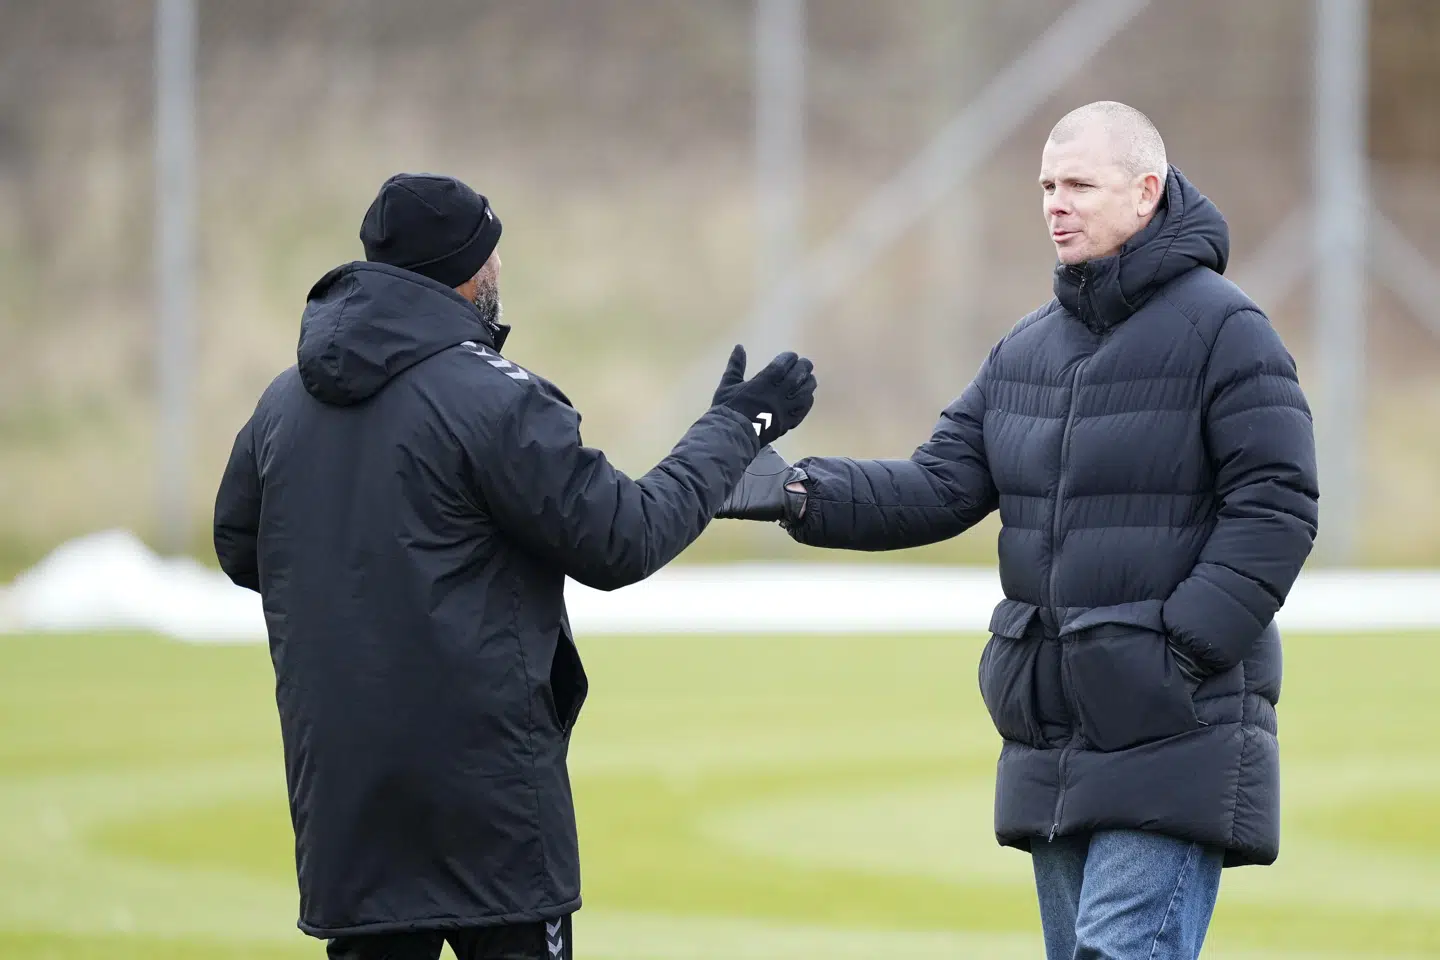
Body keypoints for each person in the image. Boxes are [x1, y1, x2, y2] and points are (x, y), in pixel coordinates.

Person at [718, 102, 1319, 959]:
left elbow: (1279, 503)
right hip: (1054, 731)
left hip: (1175, 727)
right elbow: (937, 486)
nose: (1055, 204)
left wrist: (1180, 651)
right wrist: (794, 492)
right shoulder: (1024, 350)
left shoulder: (1228, 332)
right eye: (1046, 185)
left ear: (1146, 191)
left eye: (1079, 184)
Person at [212, 172, 817, 960]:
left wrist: (373, 584)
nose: (499, 269)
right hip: (488, 804)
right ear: (467, 273)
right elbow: (624, 538)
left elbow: (242, 546)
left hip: (346, 800)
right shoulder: (494, 399)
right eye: (491, 254)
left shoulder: (282, 403)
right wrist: (737, 426)